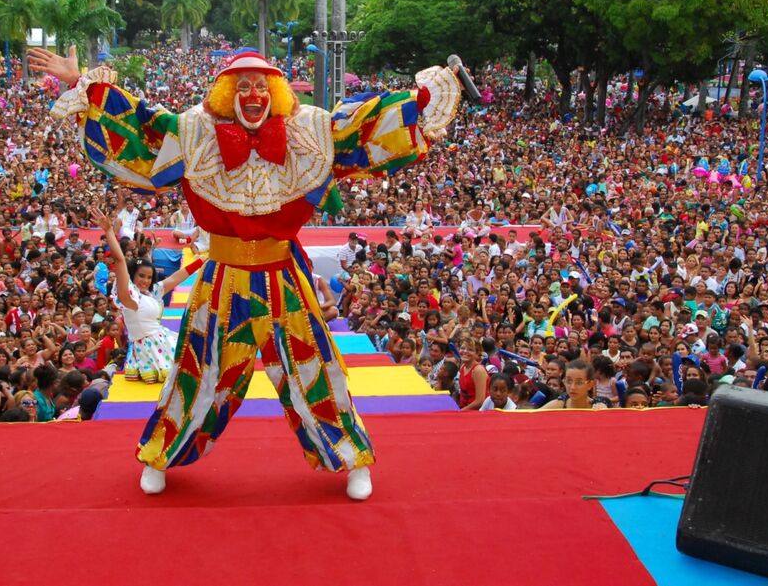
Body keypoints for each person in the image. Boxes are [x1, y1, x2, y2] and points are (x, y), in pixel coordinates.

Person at [33, 45, 462, 501]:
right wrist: (84, 84)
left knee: (313, 369)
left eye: (261, 85)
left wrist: (420, 102)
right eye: (242, 85)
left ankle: (352, 458)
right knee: (198, 372)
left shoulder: (311, 129)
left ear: (274, 91)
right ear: (225, 93)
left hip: (284, 275)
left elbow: (363, 127)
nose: (253, 94)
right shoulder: (193, 131)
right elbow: (142, 129)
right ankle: (160, 455)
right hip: (223, 277)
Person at [91, 199, 197, 385]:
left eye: (149, 277)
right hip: (145, 351)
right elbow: (120, 260)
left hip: (163, 343)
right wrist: (109, 231)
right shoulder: (129, 296)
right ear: (132, 276)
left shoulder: (152, 292)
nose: (145, 281)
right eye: (141, 276)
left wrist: (205, 260)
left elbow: (176, 277)